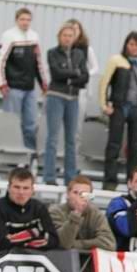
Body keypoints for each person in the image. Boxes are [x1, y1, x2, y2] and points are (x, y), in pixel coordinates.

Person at [100, 31, 137, 190]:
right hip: (120, 106)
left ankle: (133, 182)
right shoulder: (117, 60)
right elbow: (104, 82)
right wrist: (104, 104)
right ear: (126, 45)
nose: (134, 48)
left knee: (136, 148)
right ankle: (110, 180)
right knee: (114, 144)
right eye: (131, 44)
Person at [0, 8, 48, 151]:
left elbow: (38, 62)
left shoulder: (34, 37)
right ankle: (8, 154)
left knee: (30, 124)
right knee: (11, 123)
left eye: (28, 20)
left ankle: (29, 154)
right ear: (16, 20)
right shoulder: (8, 36)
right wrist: (2, 84)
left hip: (29, 88)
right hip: (13, 87)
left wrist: (43, 84)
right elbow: (0, 61)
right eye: (22, 19)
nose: (25, 22)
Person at [43, 23, 89, 185]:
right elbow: (56, 74)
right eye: (65, 35)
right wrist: (75, 74)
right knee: (53, 138)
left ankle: (70, 178)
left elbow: (85, 77)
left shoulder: (79, 54)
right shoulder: (52, 53)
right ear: (59, 37)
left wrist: (70, 79)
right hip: (56, 96)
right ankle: (49, 177)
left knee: (71, 140)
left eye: (70, 36)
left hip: (73, 99)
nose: (67, 38)